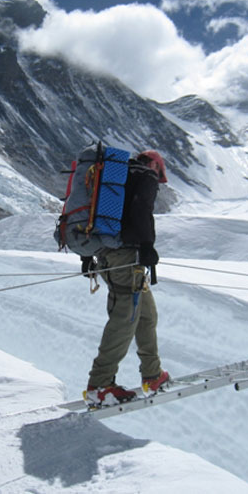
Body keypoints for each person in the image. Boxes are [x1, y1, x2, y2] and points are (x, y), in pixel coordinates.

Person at [81, 150, 170, 407]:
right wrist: (147, 246)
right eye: (160, 173)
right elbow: (142, 209)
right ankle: (100, 384)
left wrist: (85, 255)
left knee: (146, 314)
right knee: (124, 319)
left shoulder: (113, 177)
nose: (158, 178)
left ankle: (152, 374)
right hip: (126, 259)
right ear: (154, 164)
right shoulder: (145, 177)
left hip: (105, 254)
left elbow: (92, 213)